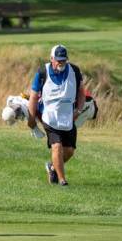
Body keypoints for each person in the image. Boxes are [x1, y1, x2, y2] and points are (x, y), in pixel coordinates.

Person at [27, 44, 85, 186]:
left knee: (69, 151)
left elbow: (81, 92)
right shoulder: (42, 72)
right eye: (58, 59)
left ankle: (52, 167)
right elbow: (33, 96)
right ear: (51, 59)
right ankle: (62, 180)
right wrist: (31, 118)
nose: (61, 62)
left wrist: (78, 111)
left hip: (68, 117)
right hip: (49, 116)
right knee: (57, 146)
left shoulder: (75, 71)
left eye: (63, 60)